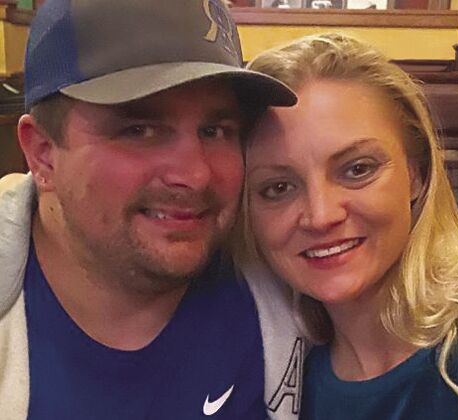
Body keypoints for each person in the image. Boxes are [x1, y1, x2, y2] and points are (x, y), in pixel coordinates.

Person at [0, 0, 304, 418]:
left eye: (215, 130)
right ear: (43, 154)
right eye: (139, 130)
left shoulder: (293, 282)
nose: (195, 175)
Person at [239, 33, 458, 419]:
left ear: (416, 174)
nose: (321, 216)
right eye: (278, 188)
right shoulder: (277, 380)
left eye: (357, 169)